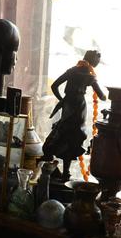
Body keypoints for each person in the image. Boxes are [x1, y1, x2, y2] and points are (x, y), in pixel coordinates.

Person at [42, 50, 107, 178]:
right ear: (93, 60)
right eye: (97, 61)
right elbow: (102, 96)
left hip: (68, 104)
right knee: (73, 137)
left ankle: (56, 169)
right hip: (79, 107)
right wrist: (106, 95)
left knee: (63, 132)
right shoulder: (89, 75)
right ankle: (65, 172)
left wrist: (62, 100)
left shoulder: (72, 71)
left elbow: (54, 86)